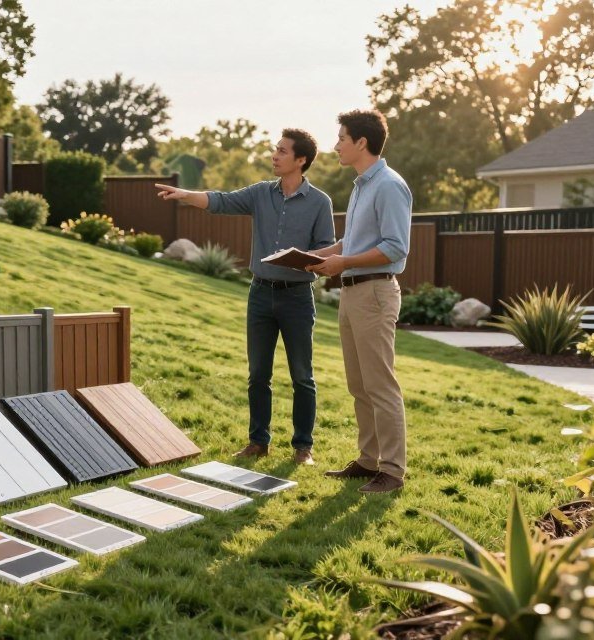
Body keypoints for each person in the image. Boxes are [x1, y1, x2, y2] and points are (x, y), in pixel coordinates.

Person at [156, 129, 335, 465]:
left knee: (302, 375)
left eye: (282, 151)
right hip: (260, 295)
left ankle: (303, 448)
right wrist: (184, 194)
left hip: (297, 297)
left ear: (301, 160)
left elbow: (326, 249)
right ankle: (258, 442)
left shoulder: (320, 202)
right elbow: (220, 200)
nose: (274, 155)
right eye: (275, 149)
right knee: (258, 374)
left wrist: (302, 259)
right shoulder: (259, 193)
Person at [307, 109, 412, 494]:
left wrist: (343, 261)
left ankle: (393, 471)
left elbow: (395, 247)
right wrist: (318, 256)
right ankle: (369, 461)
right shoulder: (361, 186)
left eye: (341, 139)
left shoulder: (389, 185)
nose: (335, 146)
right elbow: (353, 242)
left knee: (380, 384)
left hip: (375, 293)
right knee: (359, 384)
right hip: (353, 293)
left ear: (361, 143)